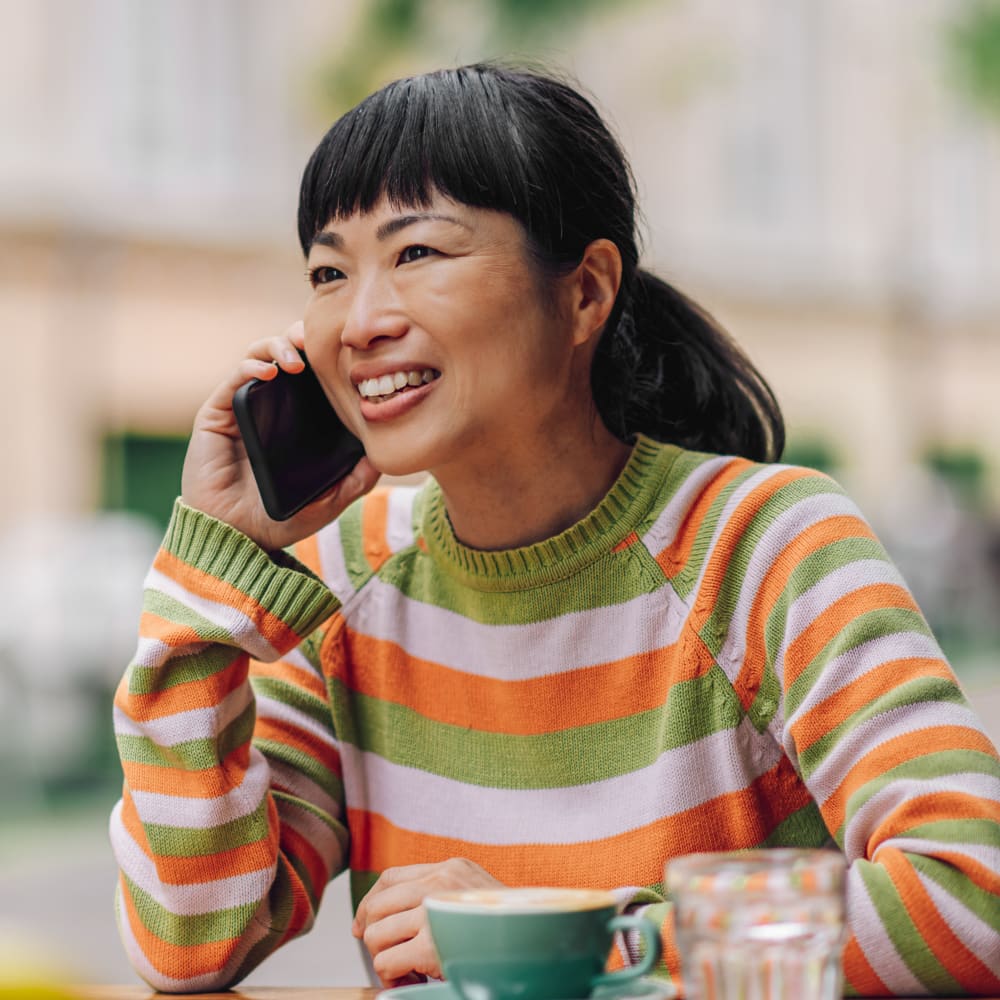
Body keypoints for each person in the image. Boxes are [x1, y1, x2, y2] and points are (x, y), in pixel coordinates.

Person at [109, 62, 1000, 995]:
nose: (361, 320)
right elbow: (192, 944)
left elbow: (968, 897)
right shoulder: (350, 577)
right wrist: (214, 572)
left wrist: (567, 939)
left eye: (418, 254)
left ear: (584, 292)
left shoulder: (765, 543)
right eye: (329, 272)